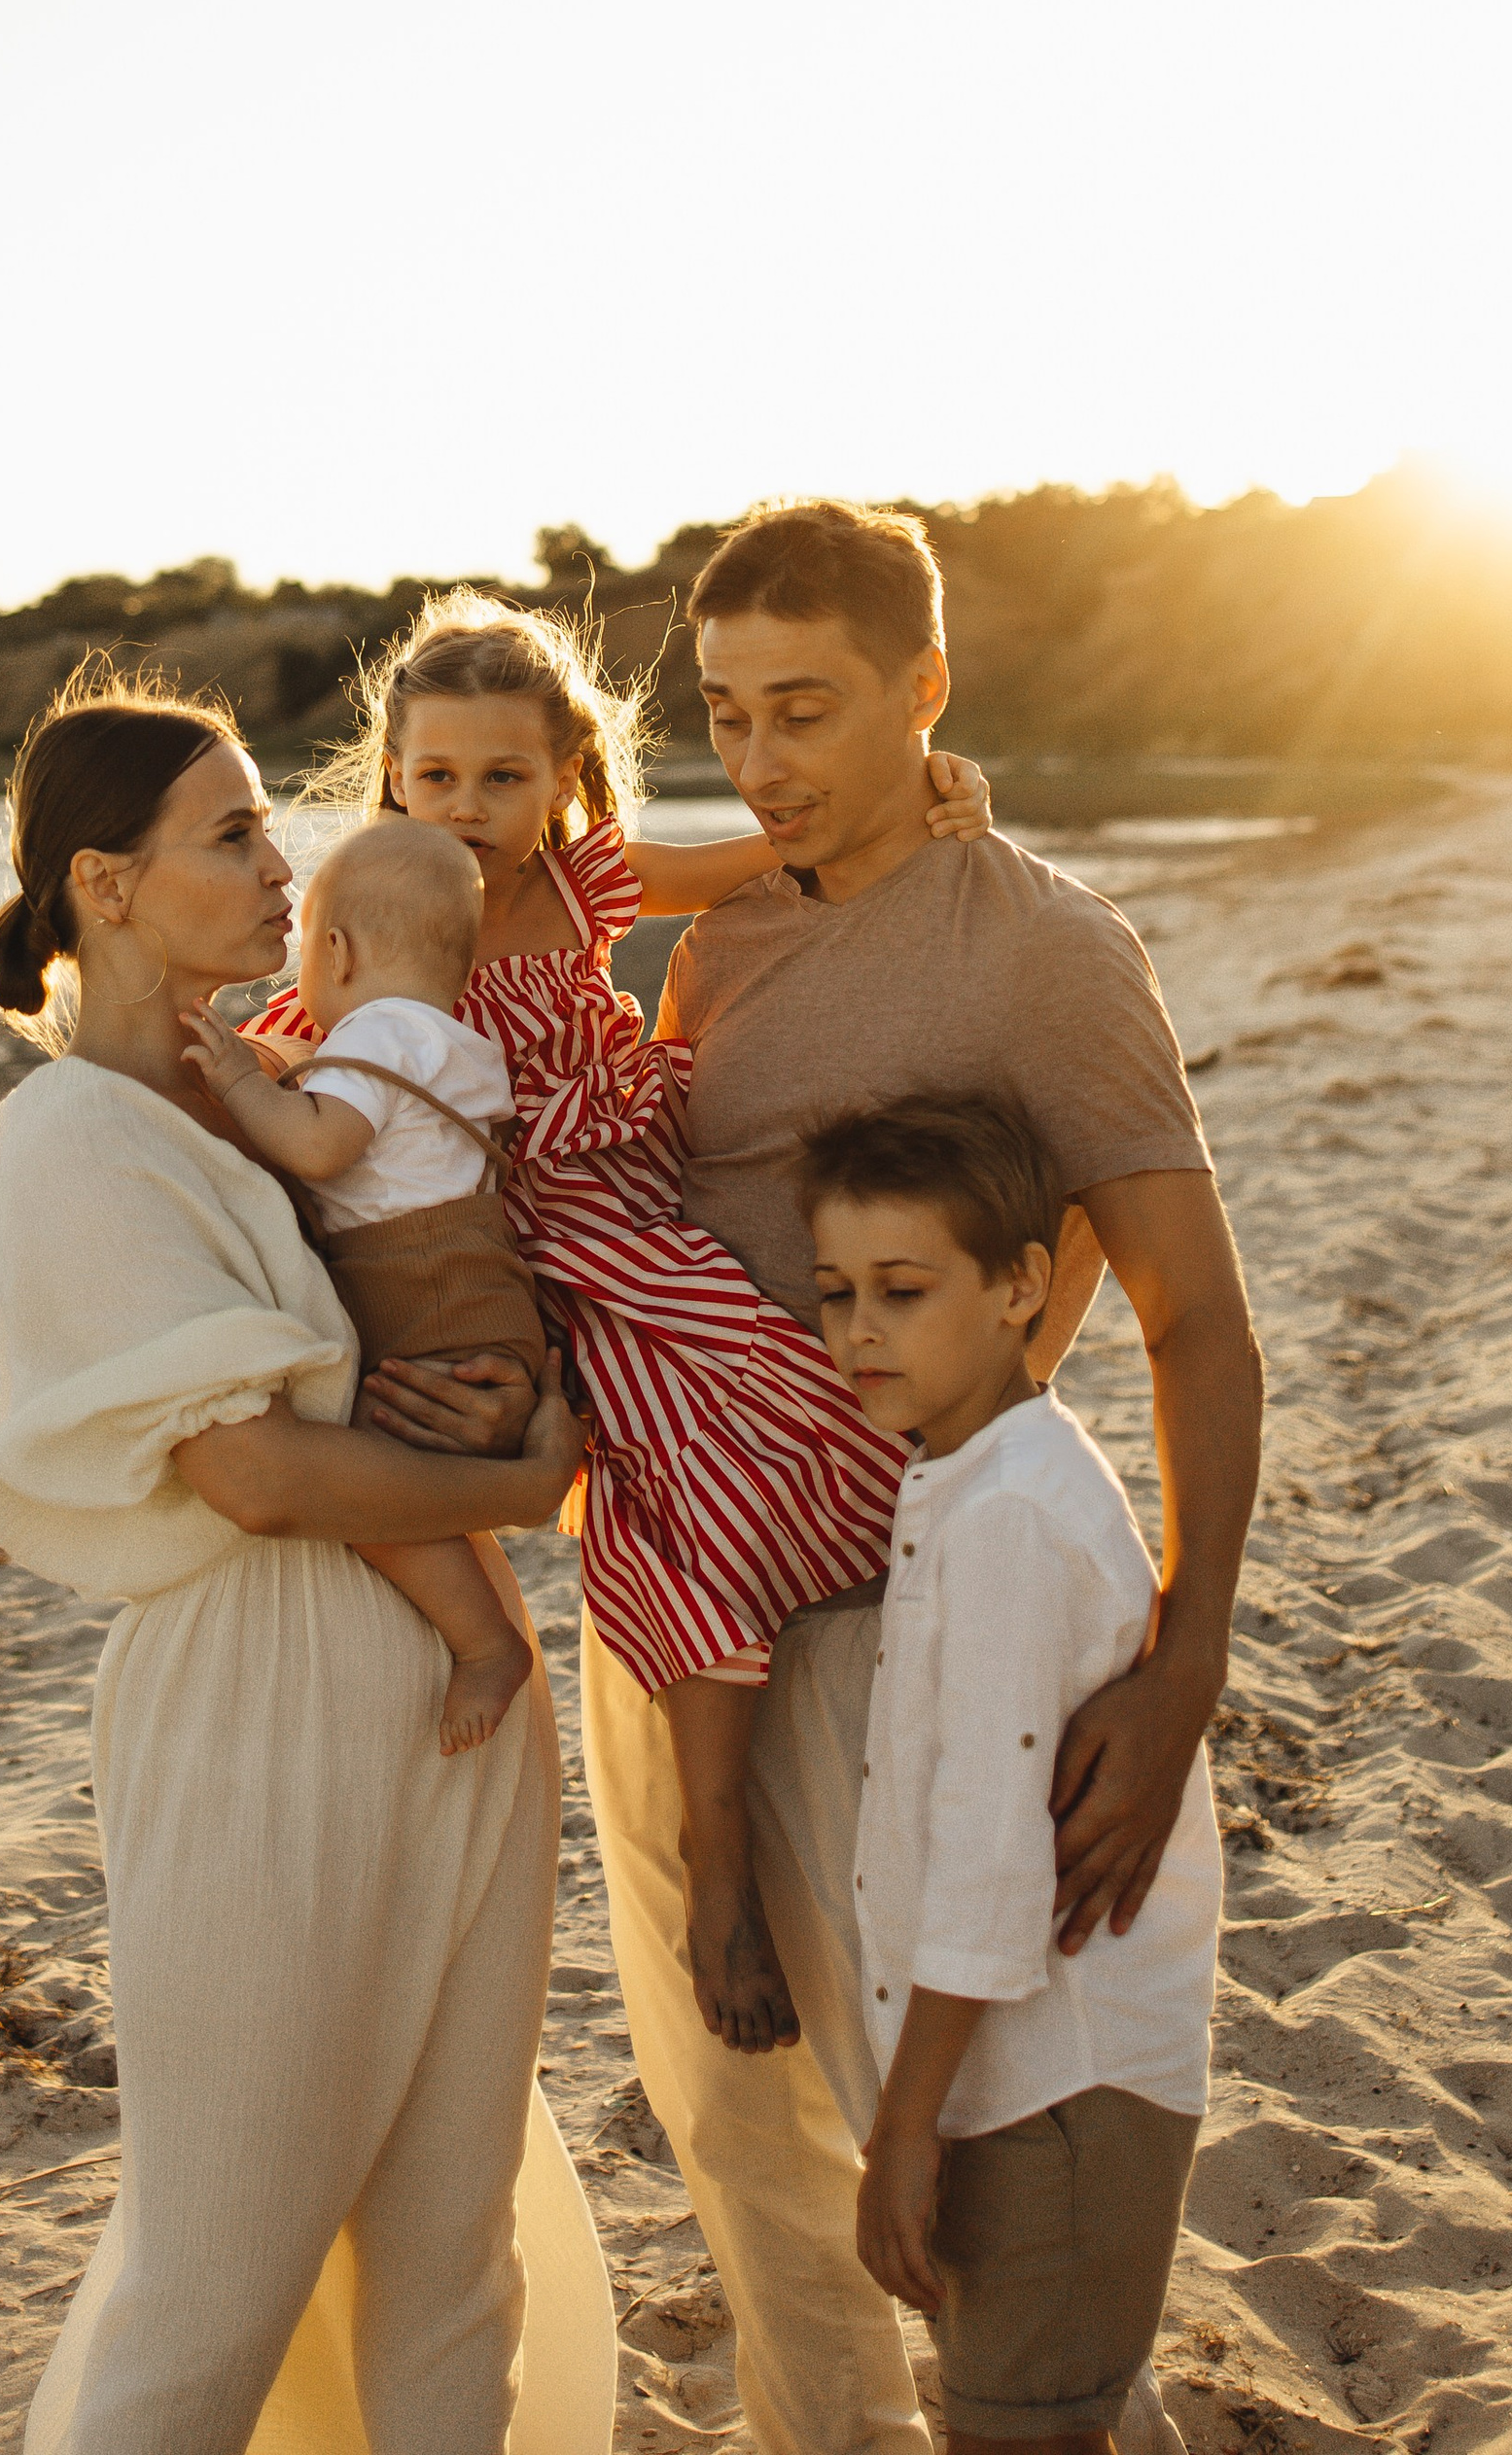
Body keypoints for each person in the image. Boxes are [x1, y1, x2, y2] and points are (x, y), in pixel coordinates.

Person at [369, 505, 1260, 2455]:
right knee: (730, 2129)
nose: (762, 765)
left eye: (810, 713)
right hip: (668, 1592)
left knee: (937, 2128)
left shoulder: (1039, 947)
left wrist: (1186, 1655)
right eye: (728, 717)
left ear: (923, 694)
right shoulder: (723, 937)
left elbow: (1192, 1314)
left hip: (884, 1612)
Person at [0, 667, 616, 2455]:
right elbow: (250, 1473)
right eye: (236, 833)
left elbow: (431, 1326)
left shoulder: (285, 1088)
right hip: (254, 1725)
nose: (283, 868)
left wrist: (511, 1417)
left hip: (464, 1718)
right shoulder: (68, 1137)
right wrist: (527, 1473)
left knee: (452, 2254)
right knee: (219, 2271)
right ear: (105, 885)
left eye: (272, 831)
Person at [253, 587, 994, 2053]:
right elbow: (302, 1041)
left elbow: (758, 859)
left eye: (504, 777)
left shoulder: (583, 885)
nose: (465, 809)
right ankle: (721, 1865)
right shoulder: (392, 914)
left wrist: (926, 797)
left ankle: (864, 1727)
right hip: (517, 1248)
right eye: (436, 775)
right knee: (682, 1468)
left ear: (565, 776)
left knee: (819, 1411)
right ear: (391, 772)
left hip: (642, 1214)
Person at [803, 1092, 1219, 2455]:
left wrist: (904, 2129)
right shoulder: (970, 1478)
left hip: (1059, 2093)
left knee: (1019, 2428)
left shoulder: (1010, 1522)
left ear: (1022, 1287)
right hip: (1021, 2084)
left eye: (904, 1290)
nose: (861, 1329)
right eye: (836, 1291)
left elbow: (991, 1858)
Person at [182, 812, 545, 1756]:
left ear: (334, 950)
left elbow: (319, 1143)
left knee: (370, 1484)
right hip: (480, 1293)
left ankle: (482, 1644)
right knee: (412, 1468)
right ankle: (481, 1623)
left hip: (416, 1289)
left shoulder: (378, 1035)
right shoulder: (455, 1043)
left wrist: (238, 1081)